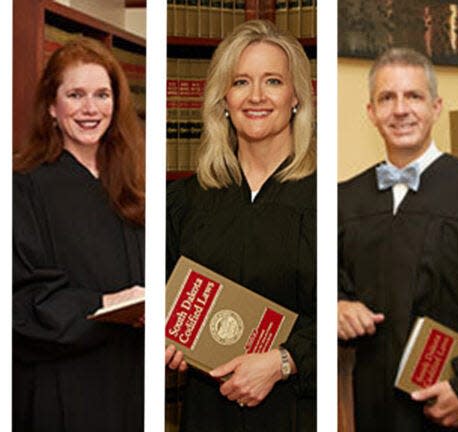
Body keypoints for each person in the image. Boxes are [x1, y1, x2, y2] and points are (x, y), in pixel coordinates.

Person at [166, 20, 316, 431]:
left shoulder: (329, 203)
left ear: (297, 96)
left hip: (295, 412)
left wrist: (284, 361)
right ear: (223, 100)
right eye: (240, 82)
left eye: (272, 81)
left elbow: (349, 320)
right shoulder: (184, 202)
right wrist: (167, 340)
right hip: (207, 412)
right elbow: (163, 302)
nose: (256, 97)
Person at [338, 48, 458, 431]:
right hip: (371, 405)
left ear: (436, 107)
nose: (400, 110)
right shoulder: (345, 200)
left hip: (448, 404)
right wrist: (336, 305)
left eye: (413, 96)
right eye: (387, 98)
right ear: (371, 112)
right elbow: (320, 281)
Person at [12, 38, 145, 432]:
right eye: (76, 94)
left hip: (133, 375)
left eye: (102, 94)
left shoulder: (133, 182)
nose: (91, 108)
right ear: (52, 107)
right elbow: (22, 299)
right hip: (66, 384)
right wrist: (106, 302)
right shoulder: (26, 186)